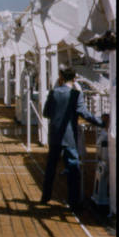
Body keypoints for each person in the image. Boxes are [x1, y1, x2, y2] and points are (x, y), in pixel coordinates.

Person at [40, 66, 104, 211]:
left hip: (55, 135)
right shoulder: (76, 94)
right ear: (74, 79)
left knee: (51, 167)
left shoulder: (54, 92)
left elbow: (46, 113)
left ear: (61, 78)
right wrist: (101, 123)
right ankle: (73, 201)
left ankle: (45, 196)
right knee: (73, 168)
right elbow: (84, 113)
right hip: (69, 137)